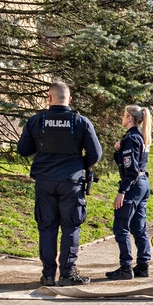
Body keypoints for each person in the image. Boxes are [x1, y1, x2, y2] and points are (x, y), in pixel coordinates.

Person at [17, 81, 102, 286]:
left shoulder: (37, 121)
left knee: (47, 227)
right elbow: (95, 154)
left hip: (45, 181)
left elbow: (23, 150)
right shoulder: (80, 121)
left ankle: (48, 274)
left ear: (49, 98)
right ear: (69, 100)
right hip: (71, 182)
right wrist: (79, 164)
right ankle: (67, 273)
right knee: (71, 226)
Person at [106, 105, 152, 280]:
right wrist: (119, 149)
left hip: (133, 185)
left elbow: (130, 169)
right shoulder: (140, 137)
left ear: (131, 118)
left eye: (124, 115)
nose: (122, 118)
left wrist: (122, 191)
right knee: (138, 227)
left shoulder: (132, 138)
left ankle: (125, 267)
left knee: (121, 226)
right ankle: (142, 265)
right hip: (143, 183)